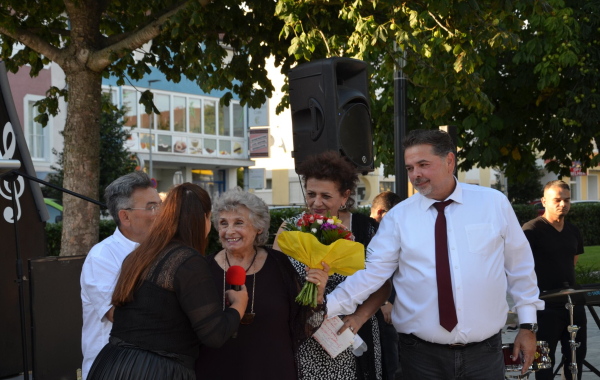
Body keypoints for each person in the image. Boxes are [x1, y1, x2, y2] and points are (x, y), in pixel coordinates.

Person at [325, 129, 544, 380]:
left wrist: (528, 325)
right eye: (409, 168)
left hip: (485, 354)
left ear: (450, 161)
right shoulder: (398, 218)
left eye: (423, 165)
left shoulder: (493, 204)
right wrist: (324, 308)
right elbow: (372, 275)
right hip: (420, 358)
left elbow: (520, 266)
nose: (415, 175)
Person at [88, 183, 248, 380]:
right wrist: (239, 305)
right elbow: (214, 334)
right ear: (203, 218)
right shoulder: (188, 261)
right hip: (156, 370)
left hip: (112, 365)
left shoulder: (139, 255)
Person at [274, 151, 391, 380]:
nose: (316, 203)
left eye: (325, 196)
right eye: (311, 194)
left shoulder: (365, 229)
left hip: (352, 333)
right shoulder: (290, 228)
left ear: (345, 196)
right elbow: (275, 281)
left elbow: (383, 285)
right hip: (305, 336)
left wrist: (359, 318)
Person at [195, 188, 329, 380]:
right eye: (223, 223)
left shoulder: (280, 265)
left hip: (273, 370)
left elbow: (302, 326)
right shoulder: (202, 269)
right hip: (214, 370)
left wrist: (317, 294)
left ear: (258, 227)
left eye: (239, 223)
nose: (229, 231)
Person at [80, 172, 161, 379]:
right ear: (125, 216)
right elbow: (118, 315)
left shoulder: (162, 250)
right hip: (112, 369)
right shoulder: (102, 256)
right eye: (152, 207)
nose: (159, 213)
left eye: (160, 206)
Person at [522, 180, 586, 380]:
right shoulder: (531, 230)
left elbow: (572, 262)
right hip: (544, 308)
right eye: (557, 200)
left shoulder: (574, 231)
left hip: (573, 307)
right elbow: (521, 270)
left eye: (567, 200)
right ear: (544, 201)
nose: (563, 204)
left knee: (575, 361)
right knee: (543, 365)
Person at [370, 191, 402, 380]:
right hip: (380, 310)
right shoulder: (368, 232)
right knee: (388, 363)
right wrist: (383, 303)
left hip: (394, 308)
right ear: (381, 213)